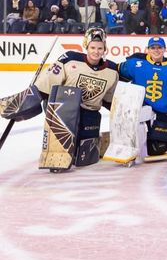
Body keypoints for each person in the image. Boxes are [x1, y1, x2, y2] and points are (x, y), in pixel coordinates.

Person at [33, 27, 120, 171]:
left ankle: (100, 141)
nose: (96, 51)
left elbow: (109, 99)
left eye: (100, 48)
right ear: (86, 45)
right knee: (65, 144)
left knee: (83, 157)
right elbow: (48, 83)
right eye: (92, 47)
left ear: (105, 49)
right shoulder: (70, 58)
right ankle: (56, 151)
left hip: (89, 112)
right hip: (63, 109)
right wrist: (33, 98)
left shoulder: (111, 70)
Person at [117, 37, 167, 159]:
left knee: (156, 151)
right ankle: (130, 145)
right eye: (153, 48)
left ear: (164, 49)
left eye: (159, 48)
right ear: (148, 49)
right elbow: (115, 70)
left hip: (164, 113)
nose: (156, 50)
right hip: (141, 109)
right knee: (134, 140)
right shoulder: (136, 63)